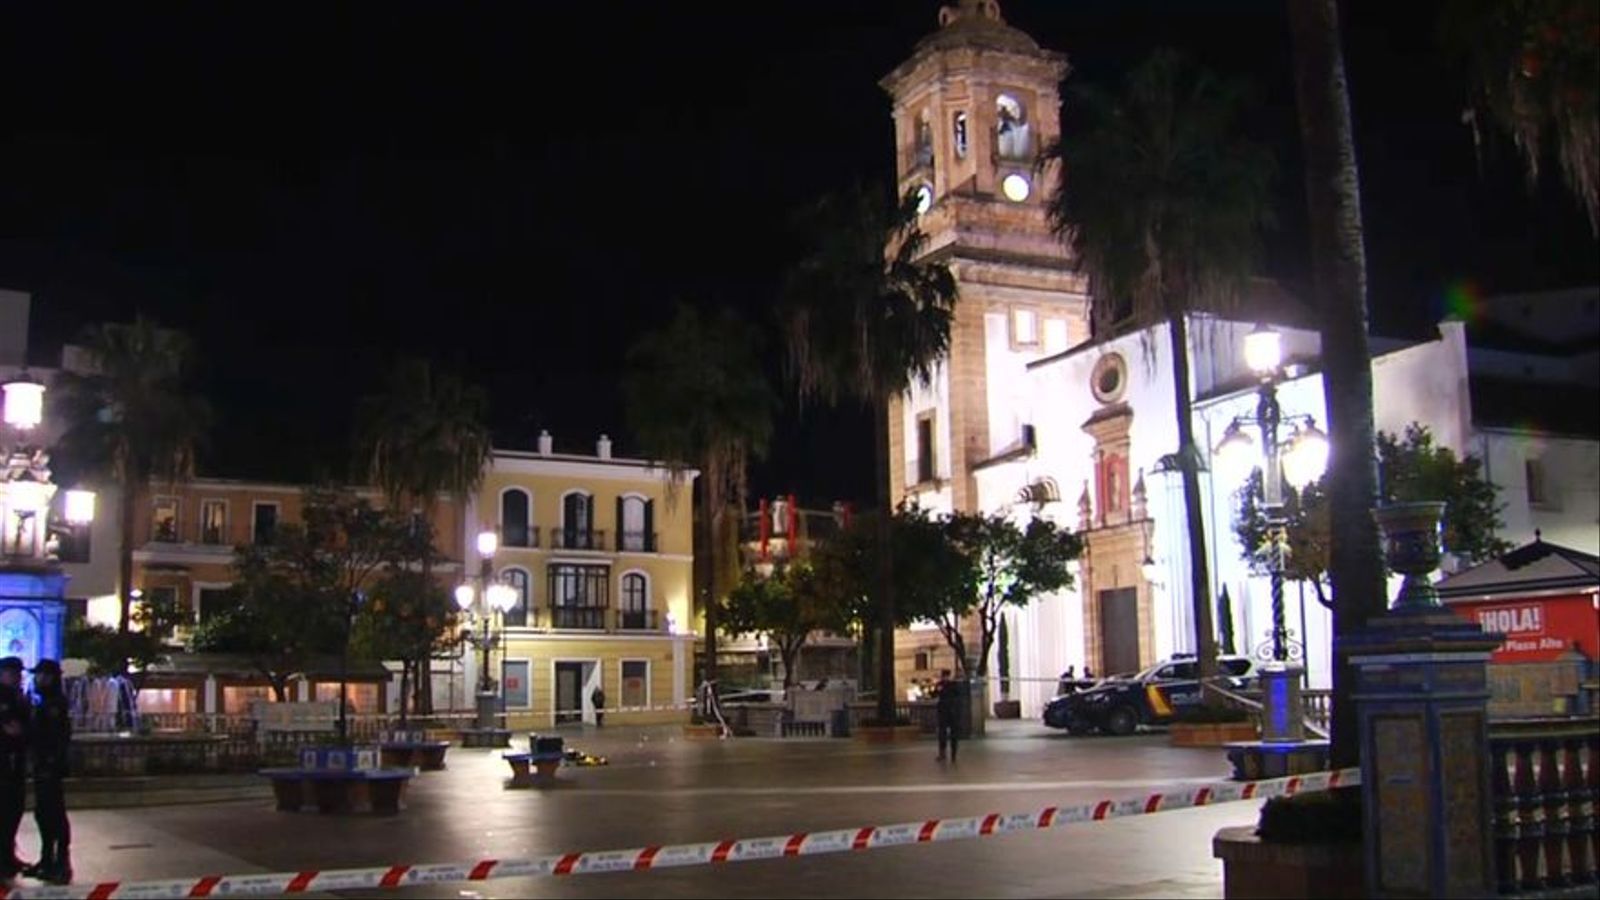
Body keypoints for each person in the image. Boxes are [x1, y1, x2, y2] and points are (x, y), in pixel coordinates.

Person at [23, 660, 70, 885]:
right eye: (38, 675)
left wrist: (51, 762)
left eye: (45, 675)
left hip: (50, 767)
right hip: (42, 765)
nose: (40, 679)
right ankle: (46, 859)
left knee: (55, 815)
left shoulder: (55, 704)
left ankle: (61, 863)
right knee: (43, 814)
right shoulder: (42, 701)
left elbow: (57, 737)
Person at [0, 658, 29, 880]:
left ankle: (9, 855)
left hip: (16, 761)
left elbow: (24, 726)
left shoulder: (19, 696)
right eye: (11, 672)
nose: (16, 676)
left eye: (18, 673)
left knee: (14, 810)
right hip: (3, 761)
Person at [933, 669, 960, 763]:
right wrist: (937, 690)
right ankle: (943, 753)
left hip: (951, 711)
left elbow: (957, 695)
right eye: (944, 676)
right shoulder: (940, 684)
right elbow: (934, 694)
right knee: (942, 733)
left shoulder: (953, 685)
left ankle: (953, 754)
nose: (945, 678)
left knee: (953, 734)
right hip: (944, 711)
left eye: (946, 676)